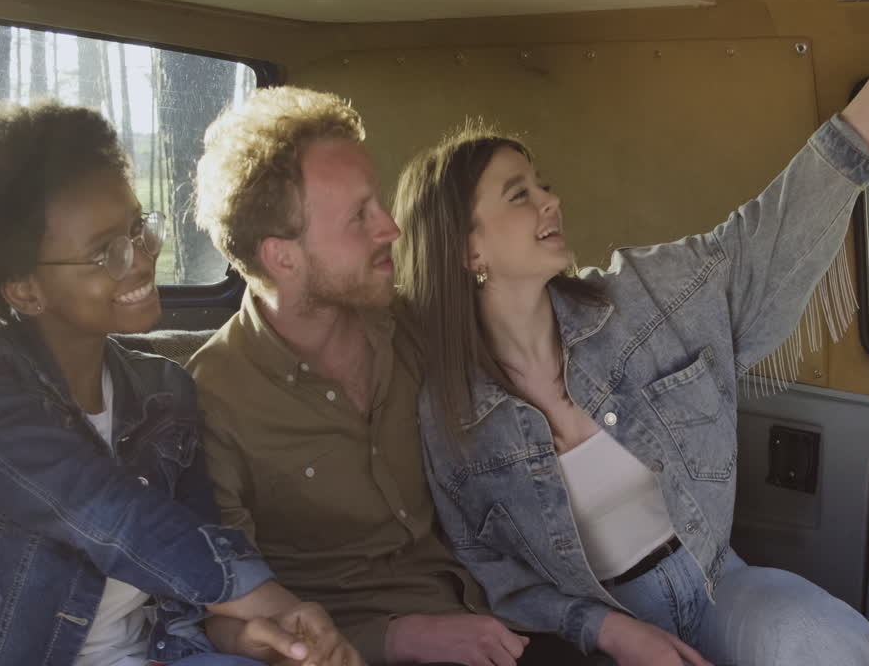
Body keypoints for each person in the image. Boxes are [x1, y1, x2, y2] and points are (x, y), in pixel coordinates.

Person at [391, 0, 869, 666]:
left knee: (813, 637)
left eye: (543, 184)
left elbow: (772, 236)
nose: (551, 201)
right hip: (596, 631)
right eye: (521, 194)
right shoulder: (448, 414)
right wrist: (607, 631)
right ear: (467, 249)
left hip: (716, 584)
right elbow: (493, 575)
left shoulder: (644, 297)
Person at [0, 100, 361, 666]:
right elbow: (105, 511)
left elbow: (188, 600)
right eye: (103, 253)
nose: (140, 261)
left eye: (139, 230)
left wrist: (257, 634)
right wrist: (260, 592)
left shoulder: (165, 390)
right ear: (24, 290)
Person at [188, 87, 595, 666]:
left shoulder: (416, 328)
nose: (391, 228)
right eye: (359, 216)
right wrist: (402, 638)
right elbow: (228, 607)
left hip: (507, 616)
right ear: (283, 257)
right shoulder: (215, 397)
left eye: (376, 202)